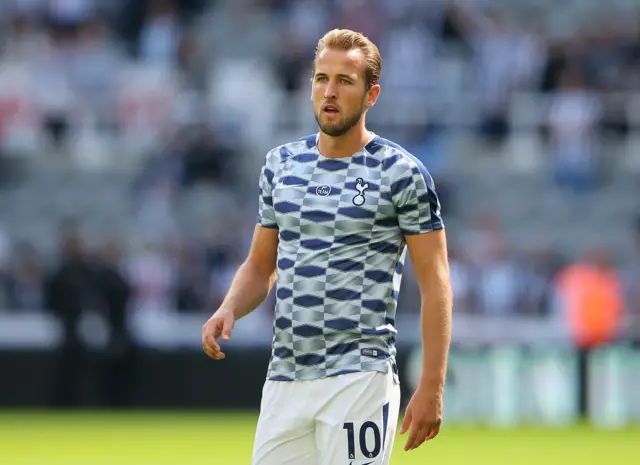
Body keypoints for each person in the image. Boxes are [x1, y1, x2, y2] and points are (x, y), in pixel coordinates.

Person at [202, 29, 452, 465]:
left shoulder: (402, 173)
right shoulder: (280, 165)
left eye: (345, 80)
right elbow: (261, 266)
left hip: (359, 375)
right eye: (321, 78)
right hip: (286, 377)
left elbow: (436, 283)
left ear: (371, 94)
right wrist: (229, 307)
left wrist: (431, 384)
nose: (330, 91)